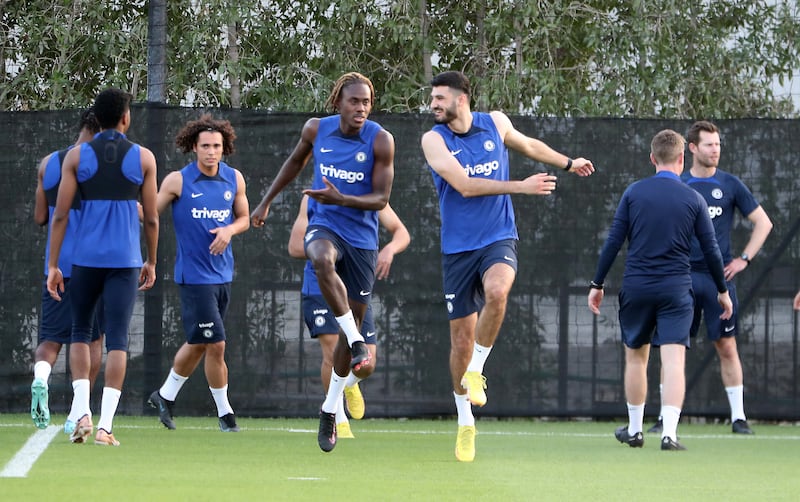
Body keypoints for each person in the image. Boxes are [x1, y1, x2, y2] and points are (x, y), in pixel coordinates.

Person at [420, 71, 594, 462]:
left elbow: (528, 143)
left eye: (440, 98)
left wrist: (568, 162)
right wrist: (521, 186)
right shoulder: (433, 140)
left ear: (462, 99)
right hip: (457, 250)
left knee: (498, 291)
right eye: (432, 98)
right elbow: (464, 185)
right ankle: (465, 422)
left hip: (498, 237)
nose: (434, 104)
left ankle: (477, 371)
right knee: (460, 342)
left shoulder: (495, 123)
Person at [250, 71, 395, 452]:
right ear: (338, 103)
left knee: (351, 340)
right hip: (325, 225)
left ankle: (330, 409)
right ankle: (356, 339)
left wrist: (342, 198)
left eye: (366, 101)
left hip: (362, 236)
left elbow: (381, 199)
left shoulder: (381, 140)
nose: (361, 107)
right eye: (354, 101)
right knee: (319, 256)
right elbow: (293, 164)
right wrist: (265, 201)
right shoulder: (317, 129)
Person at [588, 129, 733, 451]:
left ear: (653, 158)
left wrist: (597, 284)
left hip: (637, 287)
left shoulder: (634, 193)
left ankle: (636, 431)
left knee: (636, 359)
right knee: (673, 362)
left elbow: (613, 242)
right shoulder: (694, 198)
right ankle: (669, 435)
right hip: (676, 290)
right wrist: (722, 291)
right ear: (682, 159)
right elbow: (711, 250)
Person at [46, 88, 159, 446]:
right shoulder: (143, 158)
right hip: (124, 261)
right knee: (118, 339)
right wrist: (151, 260)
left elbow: (61, 214)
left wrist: (52, 263)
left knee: (80, 332)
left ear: (95, 117)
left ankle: (82, 411)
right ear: (126, 118)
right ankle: (106, 427)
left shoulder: (76, 158)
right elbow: (152, 218)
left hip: (84, 261)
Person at [647, 121, 772, 435]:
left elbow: (763, 223)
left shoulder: (729, 184)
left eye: (718, 144)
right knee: (672, 348)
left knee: (726, 345)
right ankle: (666, 418)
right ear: (691, 148)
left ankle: (738, 418)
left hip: (718, 281)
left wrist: (743, 259)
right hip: (680, 280)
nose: (715, 150)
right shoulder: (679, 183)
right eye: (709, 145)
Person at [147, 114, 249, 433]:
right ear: (194, 147)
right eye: (205, 146)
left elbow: (244, 218)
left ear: (224, 148)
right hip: (193, 278)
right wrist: (115, 205)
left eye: (216, 146)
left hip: (223, 276)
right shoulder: (178, 180)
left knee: (201, 342)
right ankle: (225, 414)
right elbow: (149, 212)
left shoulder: (235, 179)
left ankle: (165, 395)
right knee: (216, 343)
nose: (211, 152)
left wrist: (229, 230)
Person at [287, 194, 410, 438]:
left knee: (367, 364)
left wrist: (389, 249)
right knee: (333, 351)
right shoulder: (311, 199)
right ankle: (337, 418)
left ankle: (350, 384)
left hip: (354, 290)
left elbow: (401, 232)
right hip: (321, 287)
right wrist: (330, 247)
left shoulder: (370, 196)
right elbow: (294, 246)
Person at [31, 109, 104, 432]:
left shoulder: (48, 163)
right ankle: (80, 410)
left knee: (50, 339)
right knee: (93, 340)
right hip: (92, 265)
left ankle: (41, 377)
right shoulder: (100, 166)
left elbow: (40, 217)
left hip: (56, 265)